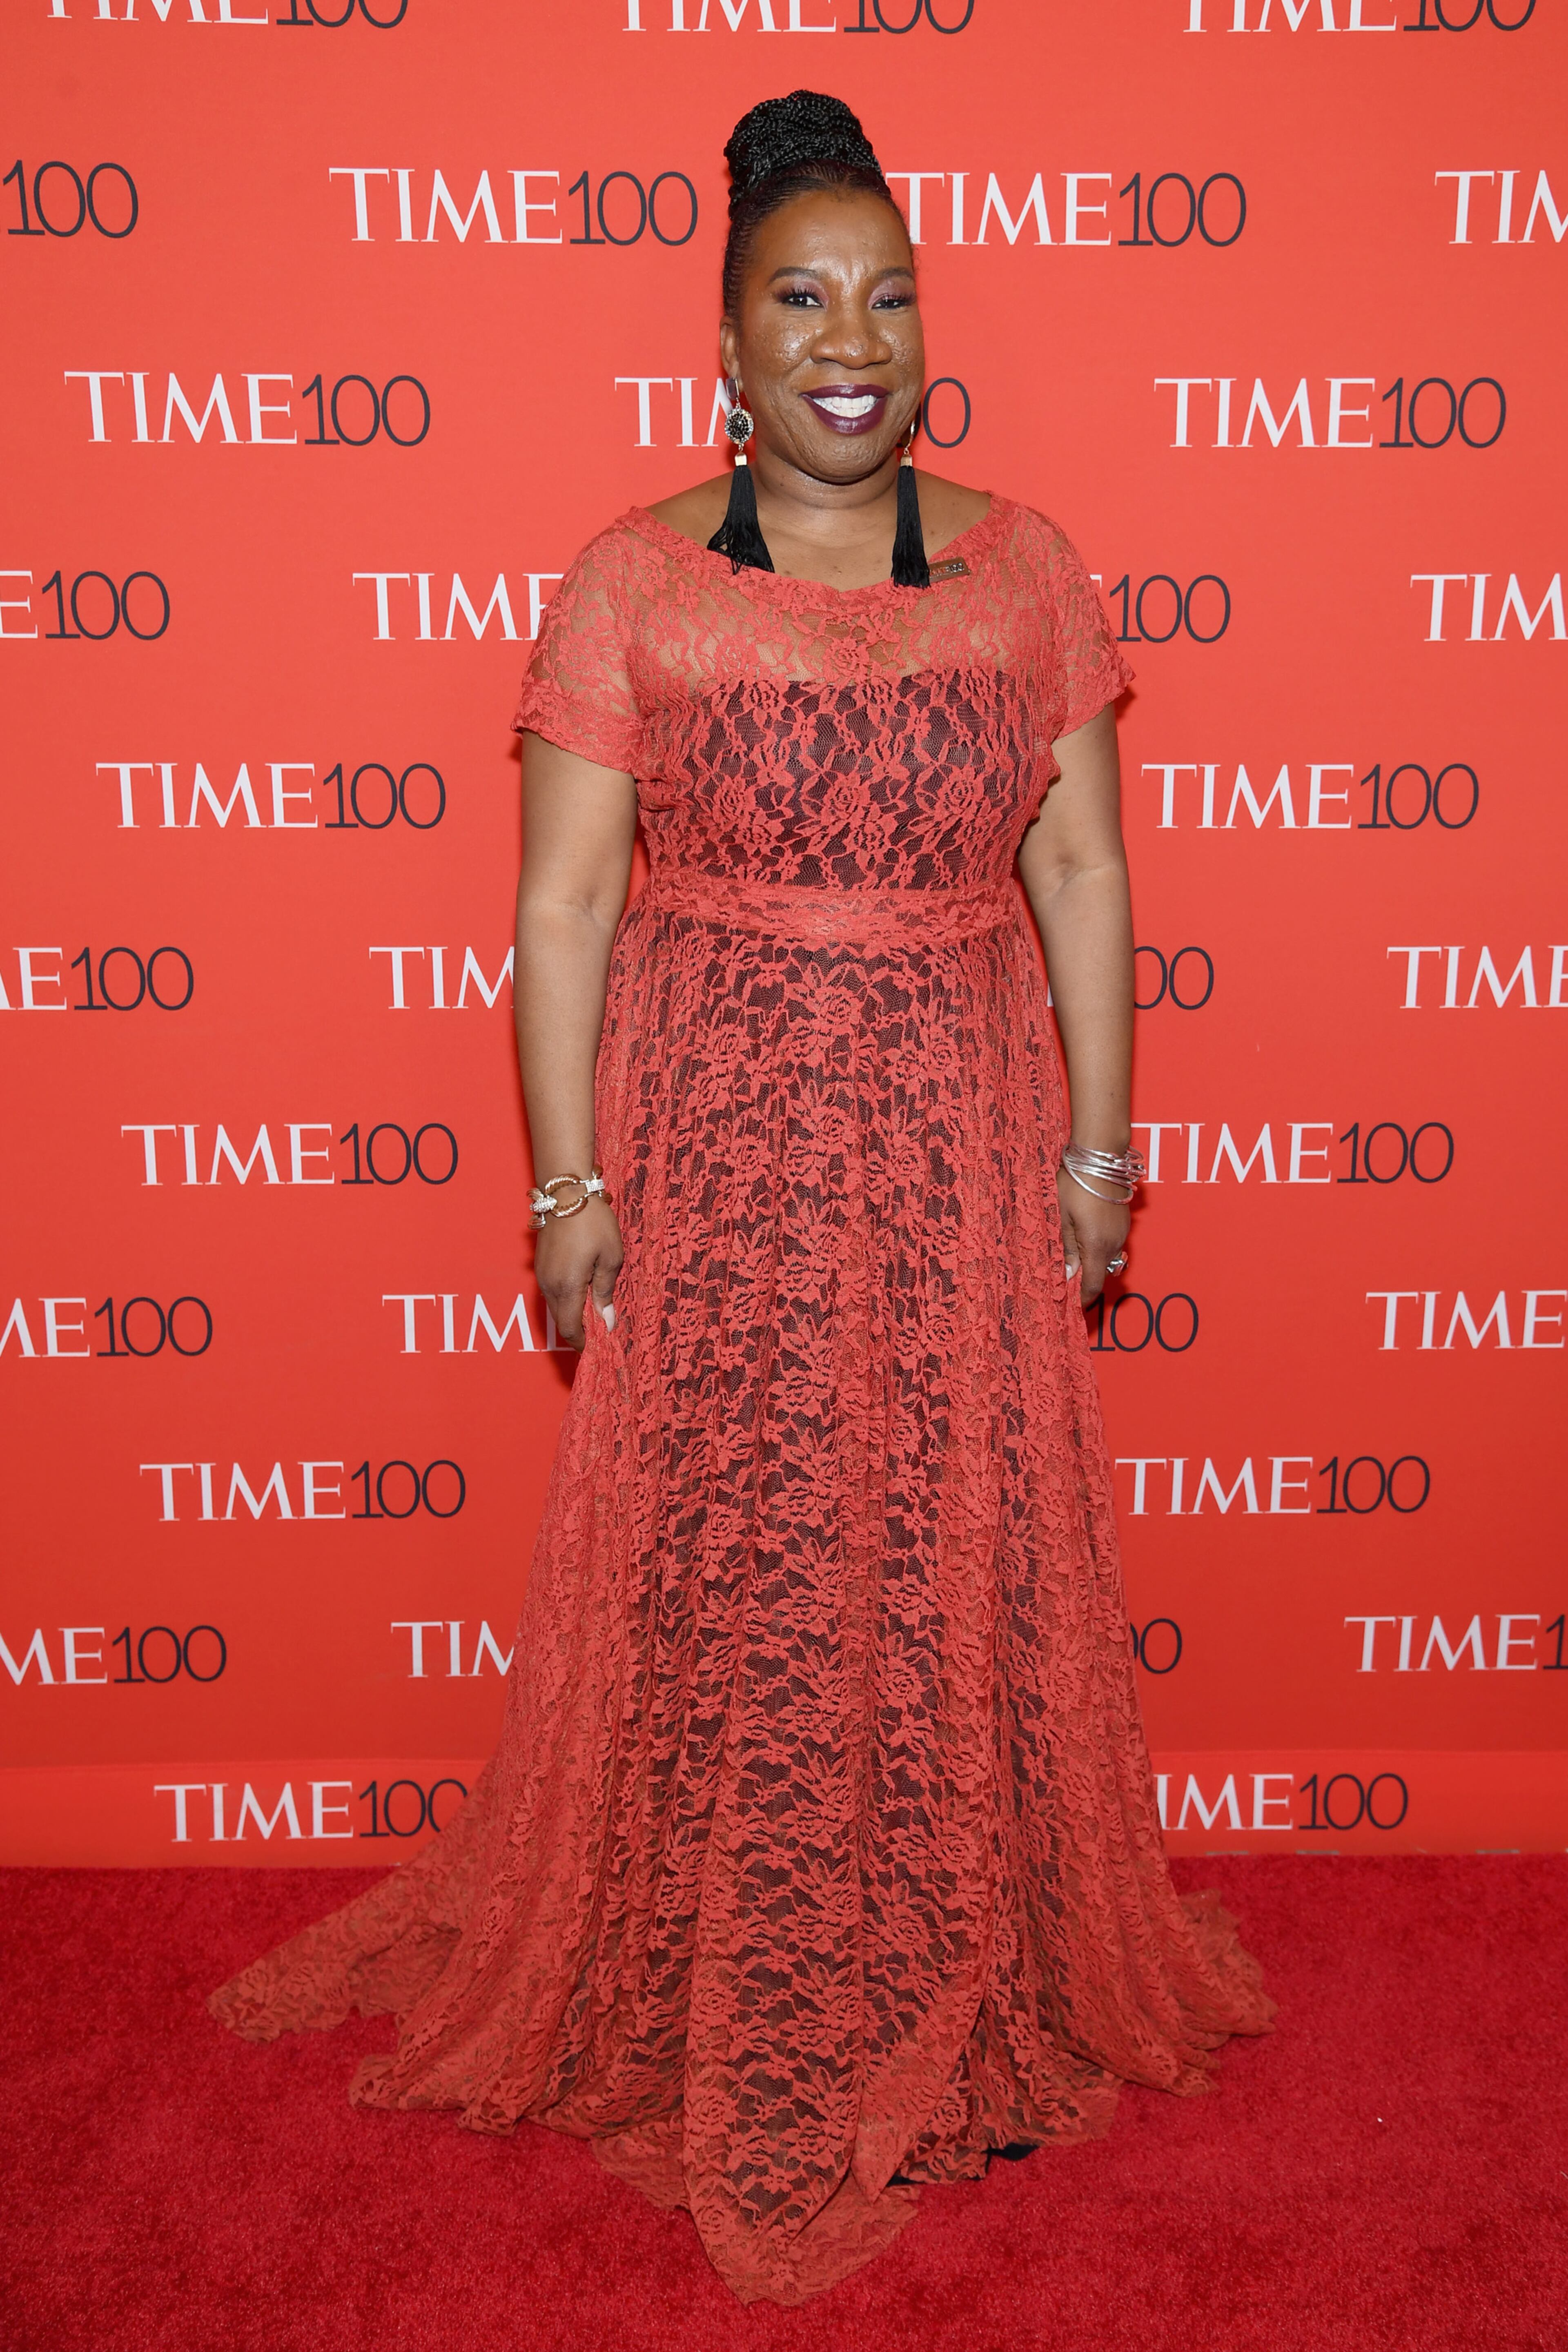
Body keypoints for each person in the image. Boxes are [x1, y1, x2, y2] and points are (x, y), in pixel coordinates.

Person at [211, 89, 1272, 2307]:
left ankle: (953, 1950)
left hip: (963, 1134)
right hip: (716, 1147)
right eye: (801, 298)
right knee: (744, 1537)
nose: (849, 336)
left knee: (945, 1535)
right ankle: (718, 1947)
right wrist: (562, 1183)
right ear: (727, 347)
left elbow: (1079, 861)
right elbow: (564, 913)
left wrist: (1106, 1139)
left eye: (887, 295)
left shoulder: (1024, 568)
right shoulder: (630, 580)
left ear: (925, 327)